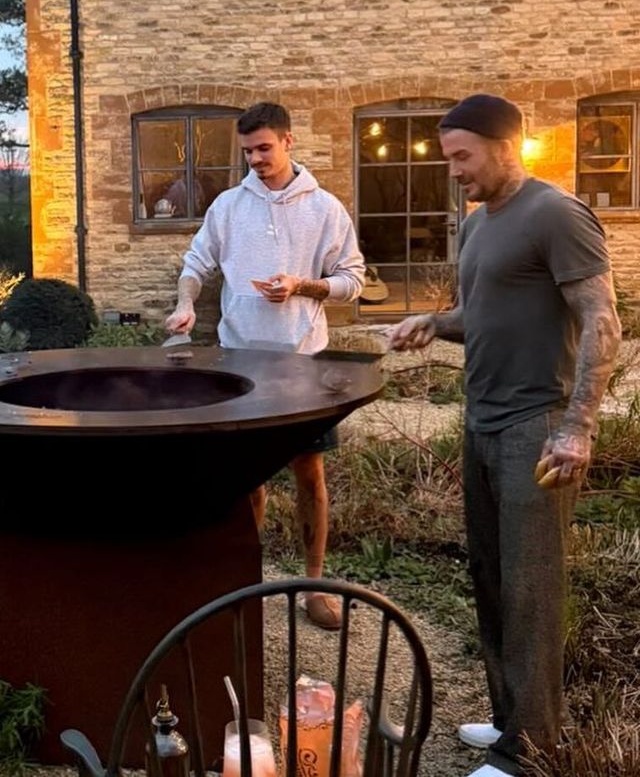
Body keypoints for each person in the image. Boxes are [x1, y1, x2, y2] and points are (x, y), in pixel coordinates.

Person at [389, 94, 621, 777]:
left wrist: (578, 426)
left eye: (462, 156)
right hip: (481, 420)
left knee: (531, 591)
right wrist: (435, 322)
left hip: (537, 427)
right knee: (491, 579)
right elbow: (481, 313)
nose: (453, 170)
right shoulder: (478, 224)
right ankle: (509, 719)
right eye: (448, 157)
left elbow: (602, 319)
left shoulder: (555, 213)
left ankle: (530, 752)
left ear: (505, 145)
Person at [164, 102, 365, 630]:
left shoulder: (325, 209)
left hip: (303, 362)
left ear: (288, 141)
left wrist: (303, 286)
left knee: (310, 475)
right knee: (247, 480)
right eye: (248, 151)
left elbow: (352, 281)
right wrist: (186, 303)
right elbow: (196, 264)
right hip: (239, 364)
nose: (255, 158)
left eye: (264, 148)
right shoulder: (229, 206)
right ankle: (244, 585)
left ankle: (314, 585)